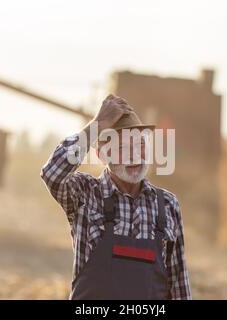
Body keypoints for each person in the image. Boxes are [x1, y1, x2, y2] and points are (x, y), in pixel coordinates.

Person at [40, 94, 192, 300]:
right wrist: (96, 125)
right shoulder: (85, 194)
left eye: (140, 144)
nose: (134, 154)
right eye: (122, 147)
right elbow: (52, 172)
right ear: (102, 155)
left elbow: (179, 286)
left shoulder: (167, 204)